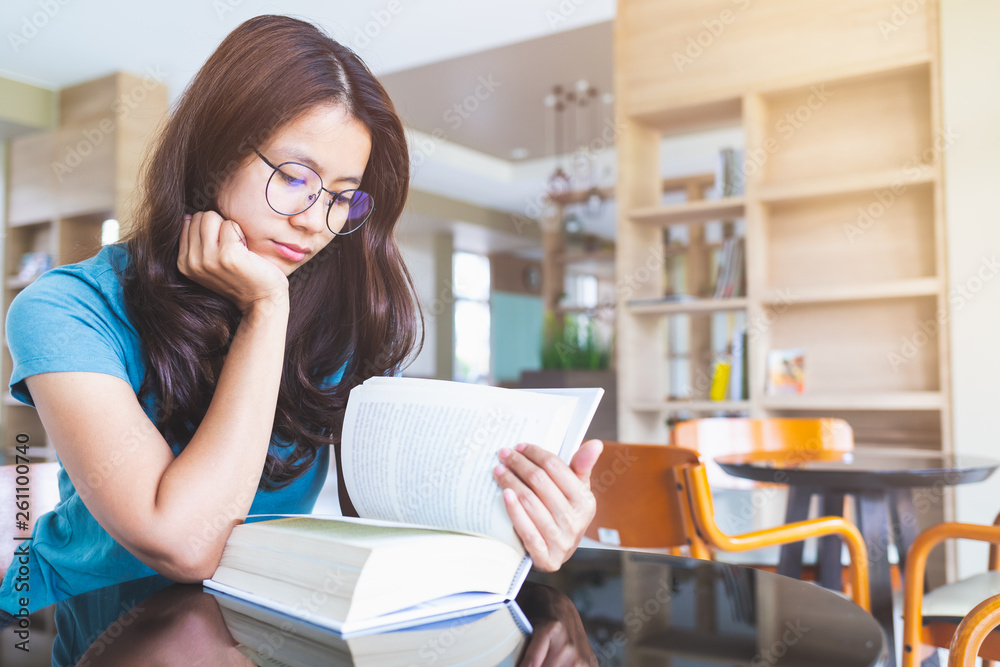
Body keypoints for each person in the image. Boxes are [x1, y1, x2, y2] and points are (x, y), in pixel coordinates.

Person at [0, 15, 602, 620]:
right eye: (294, 178)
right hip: (75, 625)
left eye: (342, 196)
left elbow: (379, 517)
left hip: (250, 623)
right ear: (213, 156)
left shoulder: (337, 315)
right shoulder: (66, 309)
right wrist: (266, 310)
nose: (317, 220)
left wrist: (522, 522)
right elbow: (182, 543)